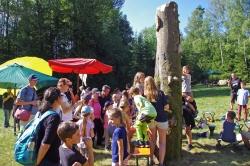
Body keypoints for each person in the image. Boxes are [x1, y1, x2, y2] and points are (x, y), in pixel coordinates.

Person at [144, 76, 169, 166]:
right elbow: (166, 107)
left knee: (152, 140)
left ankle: (150, 159)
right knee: (162, 142)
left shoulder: (145, 95)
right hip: (162, 119)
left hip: (150, 120)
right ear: (154, 82)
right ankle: (161, 163)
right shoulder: (160, 93)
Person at [35, 87, 62, 166]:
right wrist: (37, 163)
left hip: (38, 154)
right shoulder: (54, 117)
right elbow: (46, 143)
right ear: (57, 98)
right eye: (61, 96)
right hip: (48, 160)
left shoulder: (40, 112)